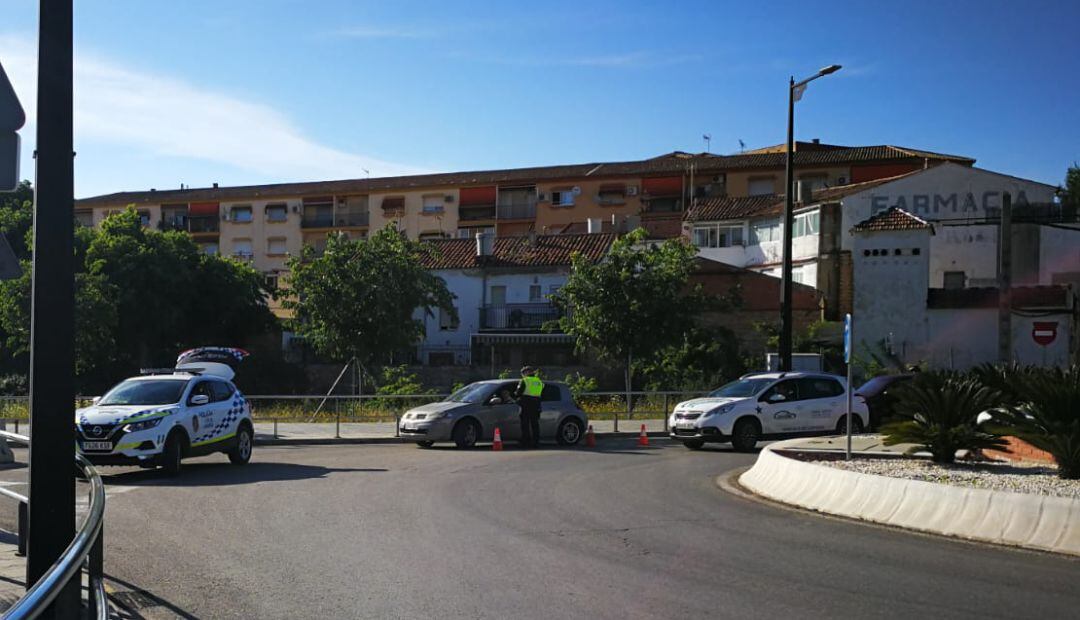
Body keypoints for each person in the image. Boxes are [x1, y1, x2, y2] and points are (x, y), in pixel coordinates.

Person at [514, 366, 544, 448]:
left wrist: (516, 395)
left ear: (527, 372)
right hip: (536, 405)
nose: (522, 375)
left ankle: (525, 442)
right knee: (535, 425)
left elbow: (518, 393)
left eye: (523, 373)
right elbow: (541, 393)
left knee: (525, 425)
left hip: (526, 404)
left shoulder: (525, 380)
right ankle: (536, 442)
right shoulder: (538, 381)